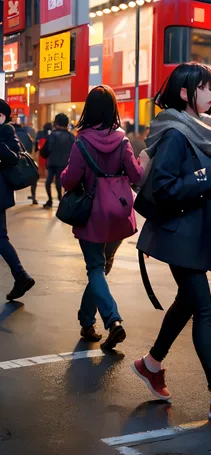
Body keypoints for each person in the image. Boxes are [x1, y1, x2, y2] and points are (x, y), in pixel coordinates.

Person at [132, 63, 211, 417]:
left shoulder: (201, 132)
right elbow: (164, 187)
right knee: (203, 309)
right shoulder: (176, 133)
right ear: (186, 93)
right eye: (205, 88)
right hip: (178, 236)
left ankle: (152, 363)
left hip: (190, 234)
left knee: (188, 304)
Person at [61, 85, 144, 348]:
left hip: (92, 215)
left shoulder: (82, 142)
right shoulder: (123, 141)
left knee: (95, 269)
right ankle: (87, 320)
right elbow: (137, 177)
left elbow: (69, 180)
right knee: (101, 268)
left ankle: (113, 320)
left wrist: (64, 175)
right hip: (119, 214)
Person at [0, 99, 35, 300]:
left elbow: (13, 157)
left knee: (0, 238)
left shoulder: (6, 131)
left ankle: (21, 275)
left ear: (3, 116)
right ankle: (21, 276)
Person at [41, 113, 76, 209]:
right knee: (62, 182)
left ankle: (50, 200)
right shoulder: (71, 136)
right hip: (65, 163)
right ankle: (62, 200)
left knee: (49, 181)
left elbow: (46, 149)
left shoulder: (52, 135)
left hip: (52, 162)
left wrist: (44, 154)